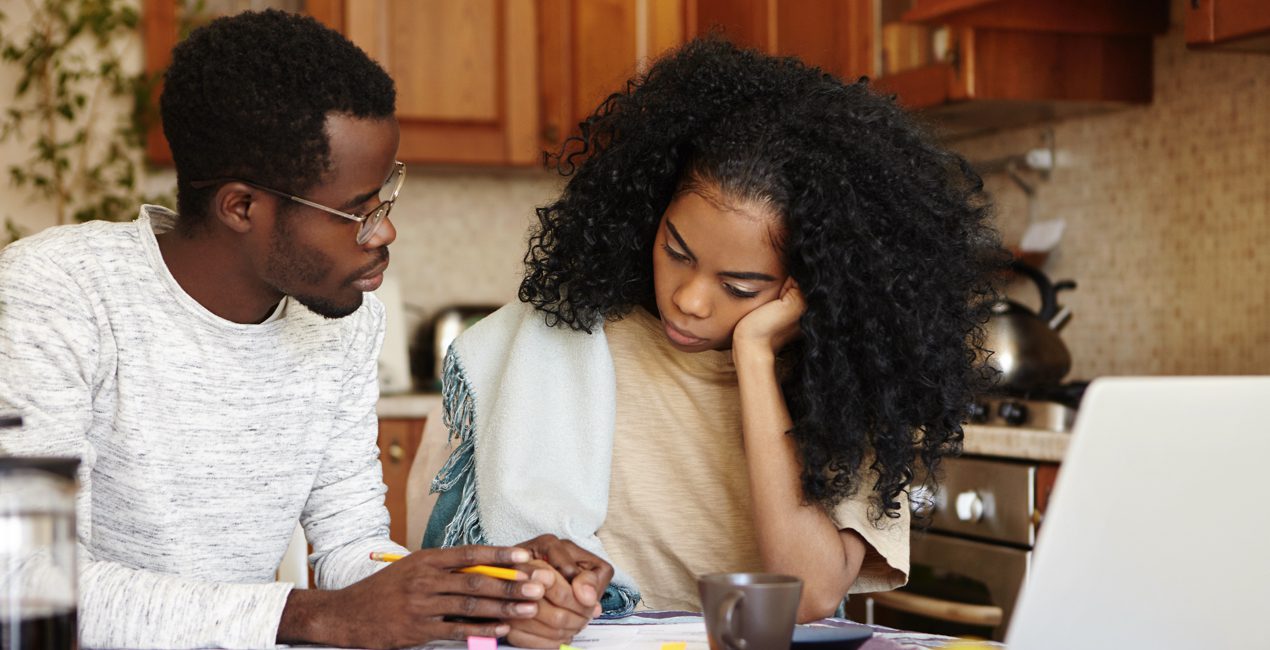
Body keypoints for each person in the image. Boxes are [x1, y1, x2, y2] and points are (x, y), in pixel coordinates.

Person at [0, 10, 608, 650]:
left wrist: (488, 589)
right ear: (242, 207)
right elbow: (27, 582)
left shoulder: (341, 319)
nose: (385, 232)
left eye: (385, 198)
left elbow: (352, 548)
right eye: (355, 212)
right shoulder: (53, 297)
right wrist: (313, 616)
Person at [421, 37, 1002, 636]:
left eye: (741, 286)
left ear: (808, 286)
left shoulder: (854, 386)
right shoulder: (565, 341)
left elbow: (807, 599)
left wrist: (755, 359)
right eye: (676, 250)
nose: (689, 299)